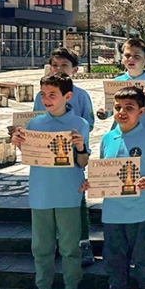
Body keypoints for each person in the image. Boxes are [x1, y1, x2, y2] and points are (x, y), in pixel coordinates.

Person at [83, 87, 145, 289]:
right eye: (118, 107)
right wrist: (92, 183)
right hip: (112, 212)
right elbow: (104, 172)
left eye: (129, 108)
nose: (122, 112)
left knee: (143, 257)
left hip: (141, 212)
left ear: (141, 111)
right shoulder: (107, 139)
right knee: (114, 258)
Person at [11, 73, 91, 289]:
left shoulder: (79, 124)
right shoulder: (34, 125)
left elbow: (83, 162)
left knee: (69, 247)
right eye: (43, 94)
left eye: (52, 94)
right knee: (41, 248)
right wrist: (19, 144)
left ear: (67, 96)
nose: (46, 99)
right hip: (40, 193)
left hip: (68, 193)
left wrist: (80, 147)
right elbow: (32, 156)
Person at [31, 47, 95, 268]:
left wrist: (75, 136)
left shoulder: (82, 95)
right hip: (47, 158)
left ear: (75, 70)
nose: (59, 69)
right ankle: (56, 244)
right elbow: (36, 119)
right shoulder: (42, 96)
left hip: (73, 155)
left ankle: (83, 243)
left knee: (77, 200)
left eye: (64, 66)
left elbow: (89, 122)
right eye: (55, 65)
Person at [96, 37, 145, 138]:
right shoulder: (117, 82)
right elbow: (112, 109)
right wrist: (104, 113)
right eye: (127, 55)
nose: (131, 59)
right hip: (122, 134)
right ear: (122, 58)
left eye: (137, 56)